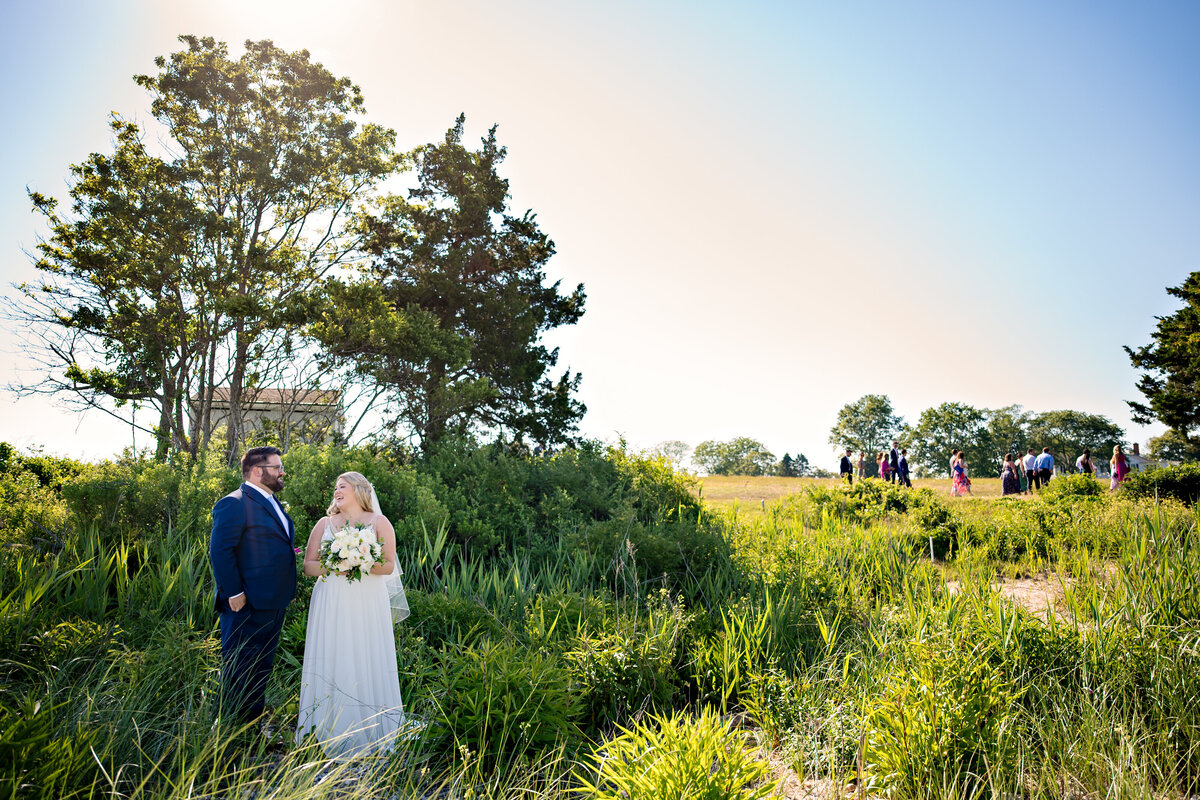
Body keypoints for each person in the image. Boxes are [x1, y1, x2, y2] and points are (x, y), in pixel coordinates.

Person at [296, 471, 408, 757]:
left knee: (364, 653)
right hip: (331, 598)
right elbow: (309, 566)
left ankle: (371, 728)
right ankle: (323, 729)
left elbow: (387, 566)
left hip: (366, 601)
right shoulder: (324, 524)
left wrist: (358, 561)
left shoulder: (379, 522)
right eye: (335, 487)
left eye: (342, 486)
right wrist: (338, 564)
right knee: (332, 652)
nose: (336, 491)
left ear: (359, 490)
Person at [209, 446, 297, 725]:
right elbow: (220, 551)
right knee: (239, 671)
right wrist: (234, 593)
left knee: (260, 669)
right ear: (258, 471)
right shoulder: (234, 503)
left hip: (272, 604)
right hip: (245, 605)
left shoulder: (274, 503)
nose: (283, 472)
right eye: (277, 467)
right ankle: (229, 739)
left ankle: (250, 733)